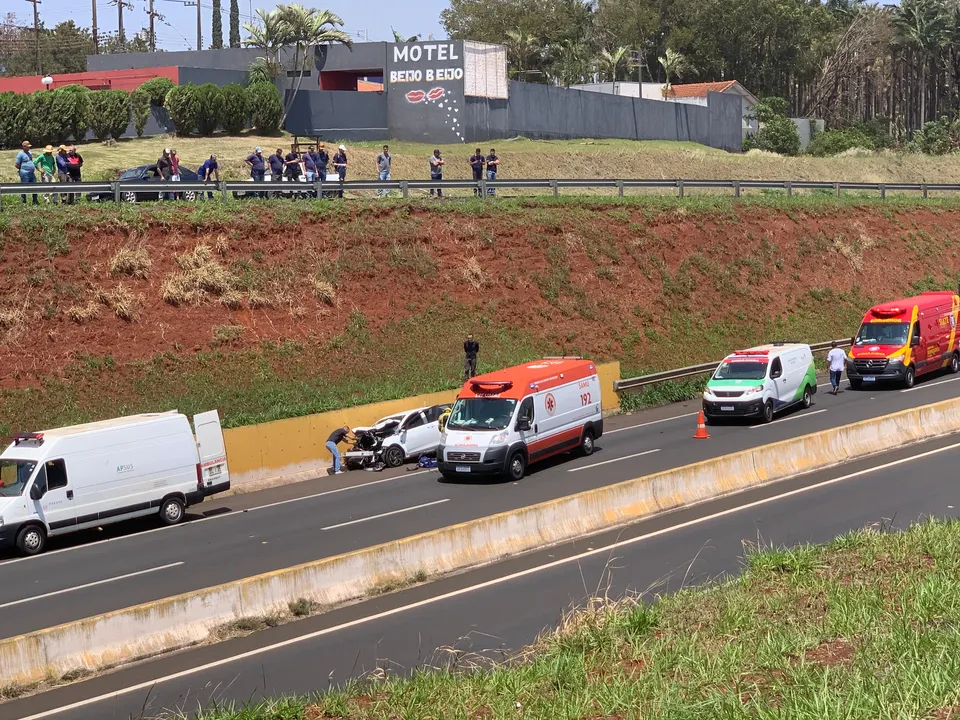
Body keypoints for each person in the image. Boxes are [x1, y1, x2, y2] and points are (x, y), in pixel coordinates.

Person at [15, 140, 39, 205]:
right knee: (24, 187)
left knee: (34, 186)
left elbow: (31, 161)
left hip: (31, 173)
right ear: (24, 147)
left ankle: (35, 201)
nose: (29, 148)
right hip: (24, 173)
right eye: (27, 147)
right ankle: (23, 202)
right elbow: (17, 164)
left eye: (29, 146)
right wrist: (22, 169)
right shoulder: (20, 154)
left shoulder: (30, 153)